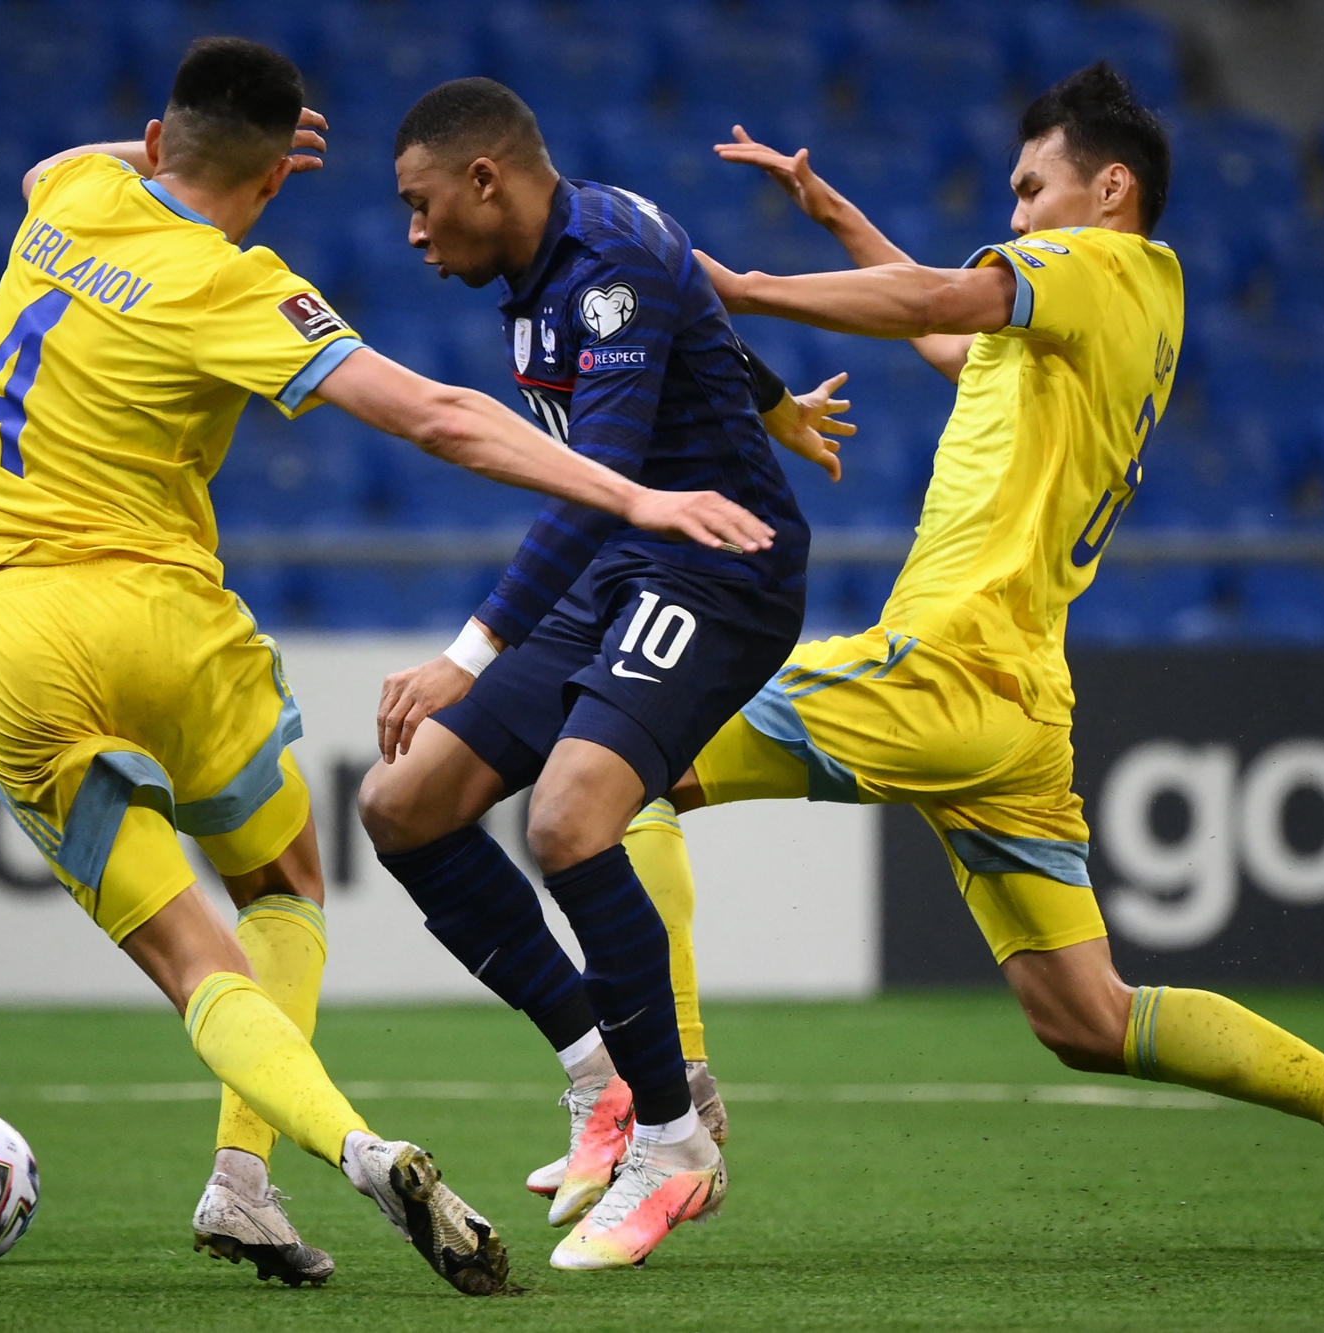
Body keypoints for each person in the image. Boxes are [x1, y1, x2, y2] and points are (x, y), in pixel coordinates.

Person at [584, 62, 1324, 1250]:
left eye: (1032, 190)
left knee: (619, 769)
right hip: (1020, 703)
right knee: (1086, 1015)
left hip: (939, 665)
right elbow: (948, 325)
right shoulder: (1113, 311)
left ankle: (678, 1114)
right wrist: (836, 218)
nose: (1015, 215)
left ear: (1109, 188)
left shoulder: (1090, 265)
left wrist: (735, 286)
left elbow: (943, 293)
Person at [0, 38, 777, 1298]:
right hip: (163, 621)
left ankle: (381, 1143)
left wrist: (170, 148)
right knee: (304, 875)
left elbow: (49, 164)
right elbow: (436, 414)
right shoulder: (239, 282)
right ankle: (253, 1173)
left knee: (195, 962)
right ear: (278, 178)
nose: (406, 230)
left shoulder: (71, 199)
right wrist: (630, 495)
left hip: (2, 623)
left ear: (158, 143)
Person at [355, 77, 848, 1271]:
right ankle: (601, 1079)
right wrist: (774, 406)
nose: (412, 233)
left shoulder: (606, 267)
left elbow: (602, 479)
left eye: (421, 205)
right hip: (627, 562)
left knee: (568, 820)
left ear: (486, 178)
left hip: (718, 569)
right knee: (401, 804)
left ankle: (674, 1145)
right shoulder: (565, 251)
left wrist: (466, 654)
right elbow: (706, 323)